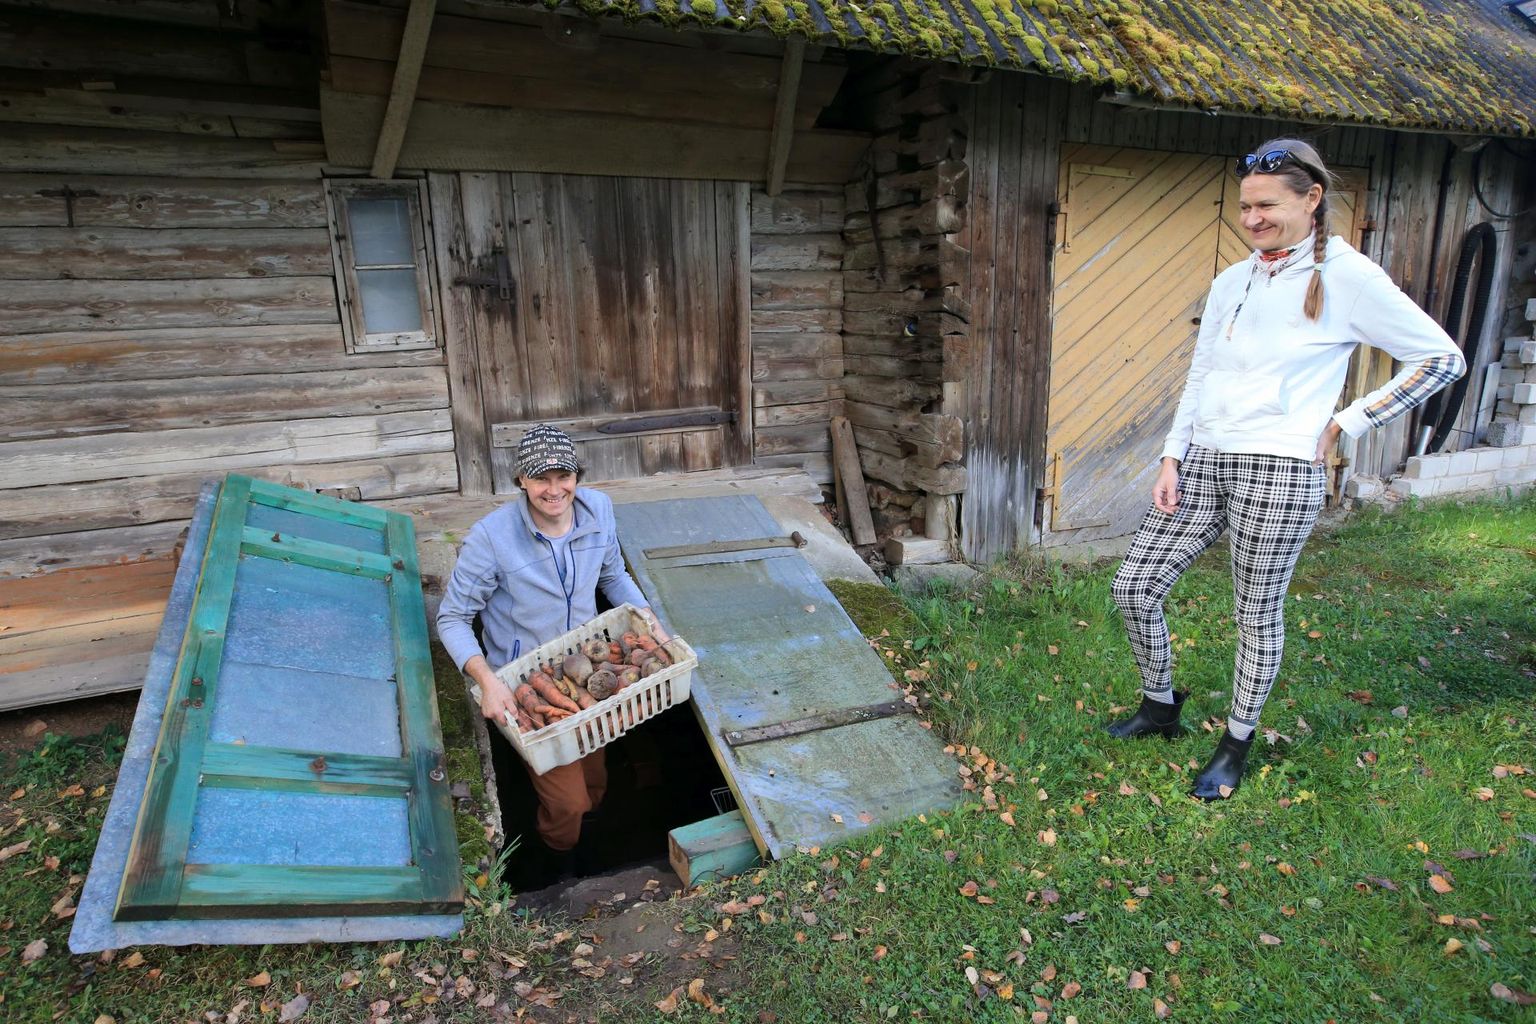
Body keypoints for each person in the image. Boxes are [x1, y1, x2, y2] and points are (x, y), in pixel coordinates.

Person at [1105, 138, 1465, 800]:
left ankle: (1235, 744)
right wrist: (1172, 455)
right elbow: (1203, 371)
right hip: (1206, 459)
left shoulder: (1351, 278)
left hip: (1280, 468)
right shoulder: (1232, 280)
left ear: (1312, 199)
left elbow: (1442, 360)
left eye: (1266, 205)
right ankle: (1160, 706)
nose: (1252, 219)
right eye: (1244, 207)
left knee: (1255, 613)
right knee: (1134, 587)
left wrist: (1344, 424)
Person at [436, 423, 670, 872]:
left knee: (596, 777)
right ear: (521, 480)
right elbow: (452, 617)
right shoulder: (491, 539)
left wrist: (648, 618)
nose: (554, 489)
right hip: (527, 683)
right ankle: (558, 858)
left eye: (563, 476)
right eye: (541, 478)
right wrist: (487, 681)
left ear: (576, 476)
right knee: (568, 800)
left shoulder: (598, 509)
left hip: (586, 671)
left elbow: (613, 575)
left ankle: (592, 828)